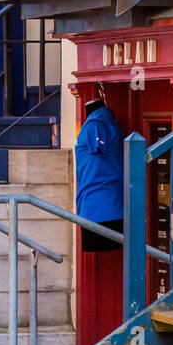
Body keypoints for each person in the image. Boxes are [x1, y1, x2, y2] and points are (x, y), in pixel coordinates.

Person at [74, 89, 125, 251]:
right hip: (111, 203)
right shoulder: (110, 123)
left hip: (96, 206)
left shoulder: (95, 124)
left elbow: (98, 151)